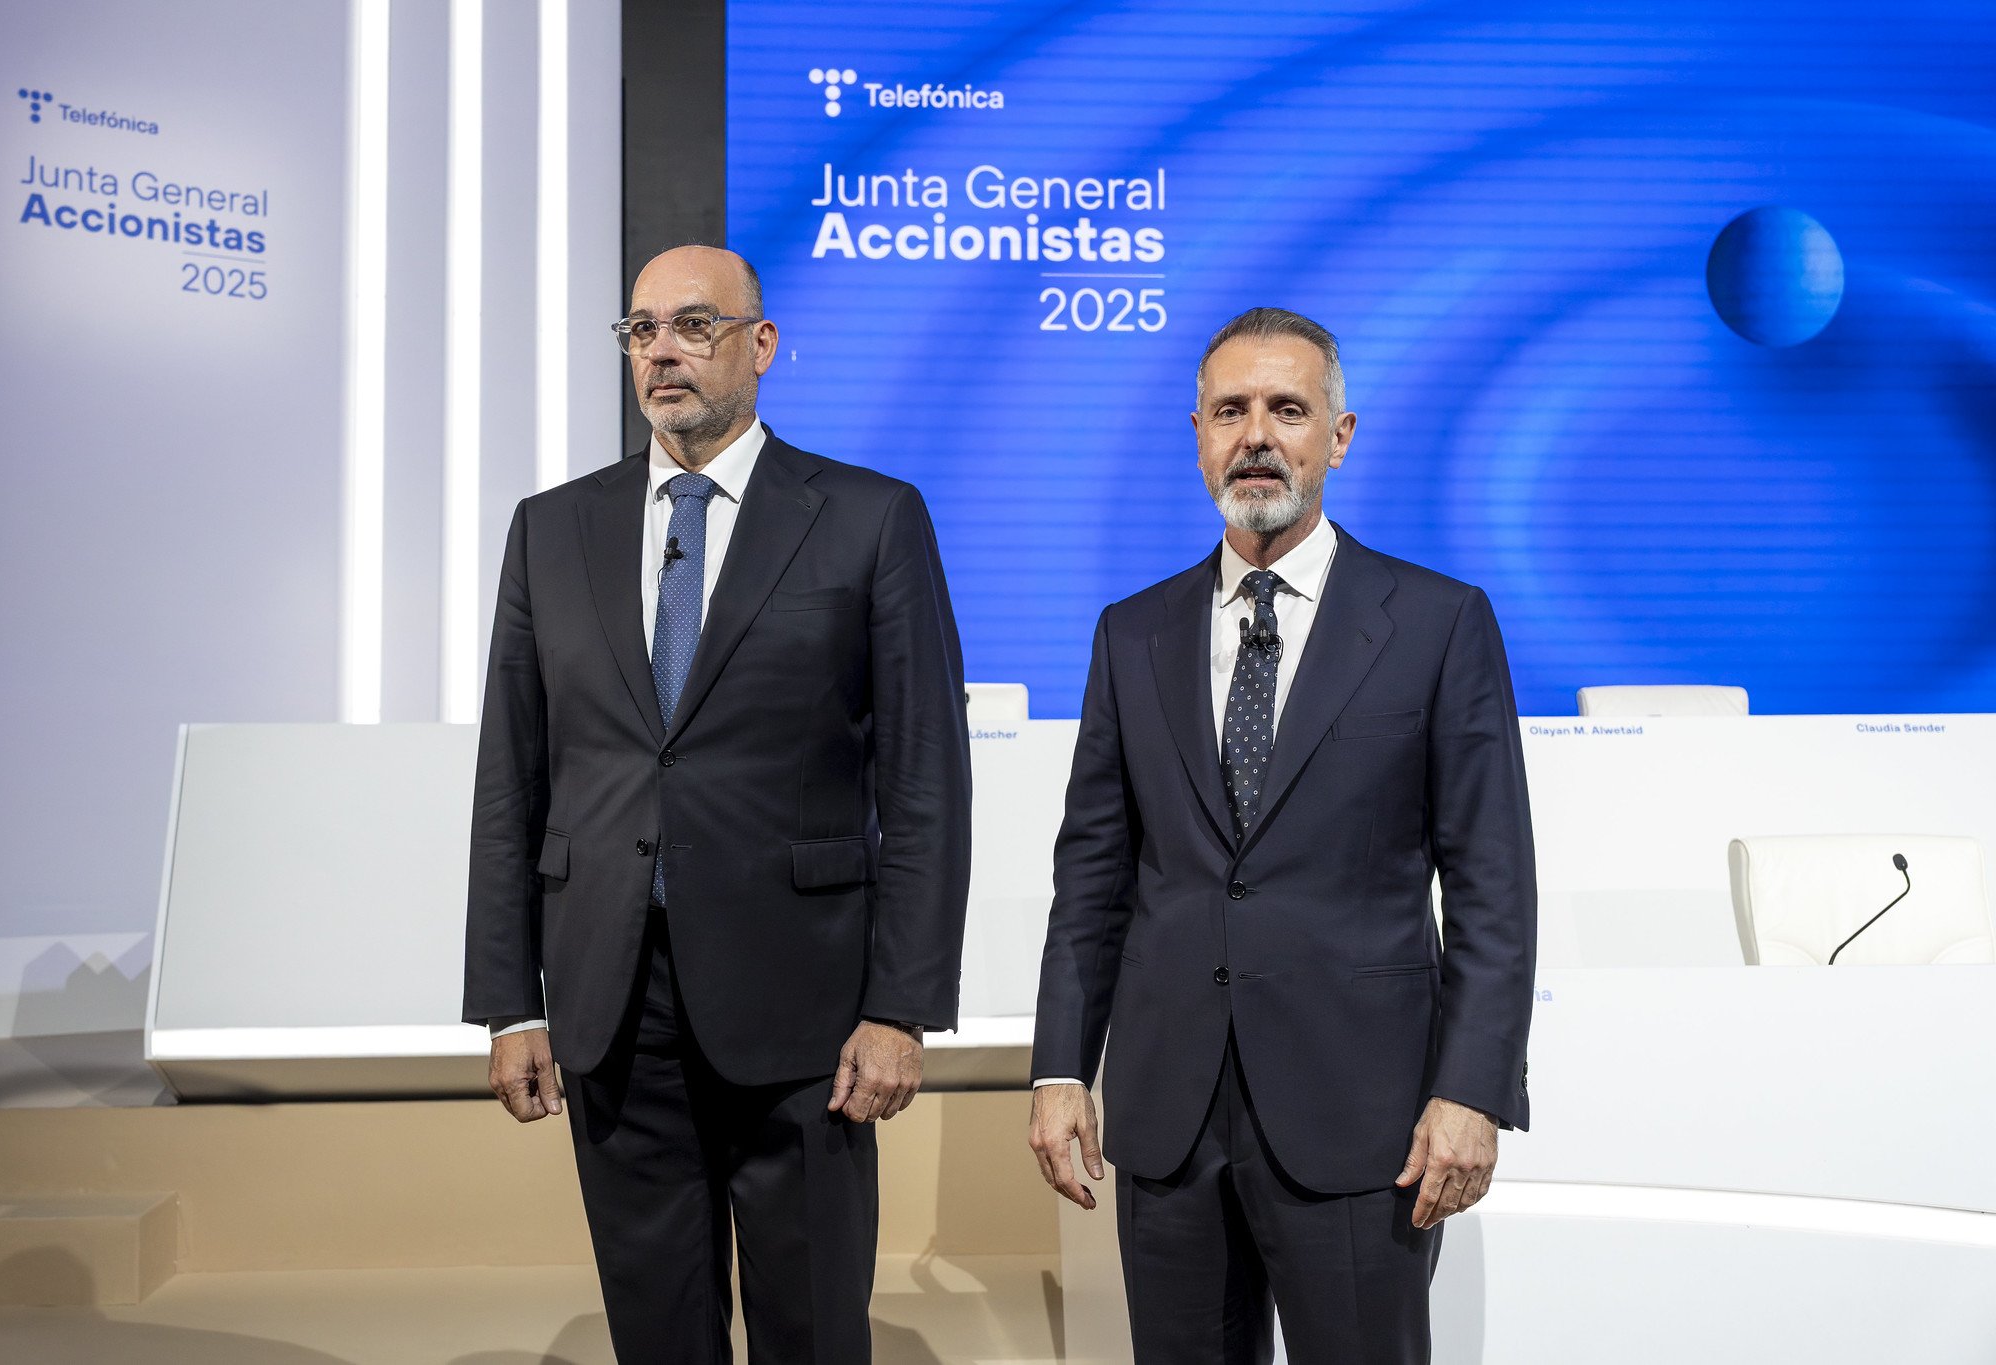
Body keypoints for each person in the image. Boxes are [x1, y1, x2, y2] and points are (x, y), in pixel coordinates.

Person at [462, 245, 972, 1363]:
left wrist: (901, 1006)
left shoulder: (868, 517)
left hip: (809, 1007)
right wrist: (509, 1001)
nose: (661, 353)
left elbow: (925, 781)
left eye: (693, 325)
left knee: (811, 1329)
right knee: (656, 1330)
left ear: (760, 344)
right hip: (608, 997)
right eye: (640, 330)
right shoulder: (553, 528)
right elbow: (514, 775)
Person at [1027, 307, 1537, 1363]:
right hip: (1167, 1118)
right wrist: (1058, 1069)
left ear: (1337, 436)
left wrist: (1471, 1091)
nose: (1255, 435)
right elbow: (1092, 877)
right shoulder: (1132, 632)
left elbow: (1490, 886)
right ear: (1199, 432)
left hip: (1363, 1123)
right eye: (1230, 411)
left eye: (1286, 409)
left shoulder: (1438, 623)